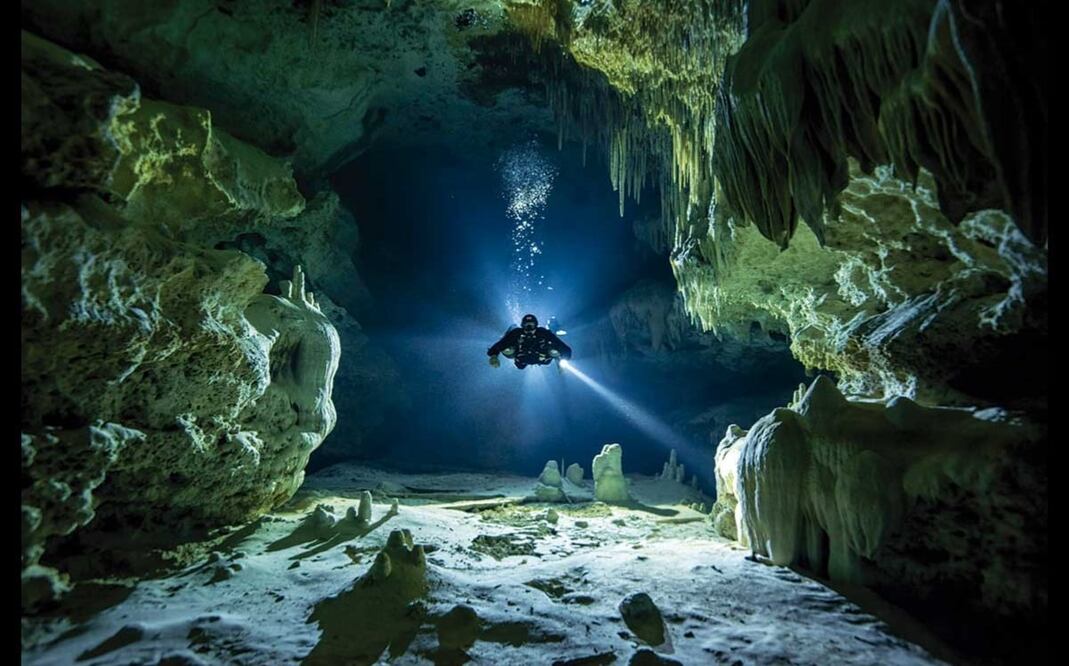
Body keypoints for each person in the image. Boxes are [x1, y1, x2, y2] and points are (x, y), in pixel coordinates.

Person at [487, 314, 572, 369]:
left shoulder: (543, 333)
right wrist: (494, 355)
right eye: (526, 326)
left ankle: (557, 357)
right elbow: (499, 344)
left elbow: (563, 347)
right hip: (521, 359)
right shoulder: (516, 333)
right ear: (522, 326)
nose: (529, 329)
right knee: (508, 349)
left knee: (554, 350)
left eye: (532, 325)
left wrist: (564, 359)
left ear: (536, 325)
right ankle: (556, 357)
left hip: (543, 358)